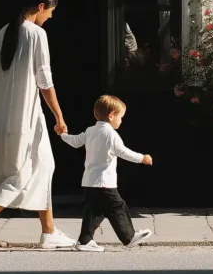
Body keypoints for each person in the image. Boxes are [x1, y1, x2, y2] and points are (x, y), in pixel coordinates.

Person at [0, 0, 75, 253]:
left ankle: (48, 231)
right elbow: (45, 81)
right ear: (40, 7)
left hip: (2, 112)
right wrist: (59, 115)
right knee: (20, 174)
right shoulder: (37, 34)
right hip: (24, 115)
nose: (50, 17)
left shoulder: (4, 32)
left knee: (44, 165)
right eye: (50, 12)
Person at [59, 95, 154, 252]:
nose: (121, 121)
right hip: (104, 182)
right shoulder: (110, 134)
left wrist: (63, 134)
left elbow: (75, 141)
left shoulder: (90, 131)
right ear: (112, 116)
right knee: (118, 206)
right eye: (120, 117)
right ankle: (129, 237)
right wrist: (142, 158)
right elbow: (123, 152)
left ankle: (85, 240)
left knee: (94, 211)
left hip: (89, 181)